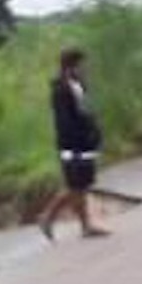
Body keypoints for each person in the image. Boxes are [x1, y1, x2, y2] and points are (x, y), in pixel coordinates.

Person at [39, 47, 110, 242]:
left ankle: (85, 226)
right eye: (81, 65)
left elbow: (86, 112)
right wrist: (77, 139)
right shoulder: (60, 90)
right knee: (75, 185)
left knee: (83, 185)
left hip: (85, 141)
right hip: (72, 144)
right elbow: (64, 121)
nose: (85, 68)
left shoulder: (79, 86)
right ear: (70, 67)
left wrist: (95, 133)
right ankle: (48, 216)